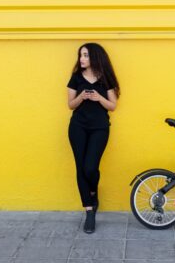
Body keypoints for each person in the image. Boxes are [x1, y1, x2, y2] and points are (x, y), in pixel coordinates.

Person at [67, 43, 120, 233]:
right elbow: (70, 105)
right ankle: (89, 211)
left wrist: (99, 98)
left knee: (90, 167)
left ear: (95, 57)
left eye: (85, 55)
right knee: (80, 168)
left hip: (100, 128)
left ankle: (93, 191)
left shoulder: (105, 79)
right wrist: (81, 97)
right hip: (78, 127)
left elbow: (113, 106)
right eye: (80, 55)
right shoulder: (75, 78)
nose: (81, 59)